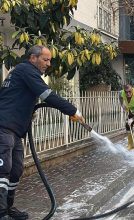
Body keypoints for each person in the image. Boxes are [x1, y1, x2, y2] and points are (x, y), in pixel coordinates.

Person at [0, 45, 85, 220]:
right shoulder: (26, 70)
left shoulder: (23, 73)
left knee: (16, 169)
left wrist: (29, 111)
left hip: (15, 130)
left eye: (50, 60)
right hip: (3, 127)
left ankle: (8, 208)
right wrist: (72, 110)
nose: (48, 63)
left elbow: (12, 96)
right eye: (45, 59)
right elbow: (47, 95)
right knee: (3, 169)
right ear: (33, 58)